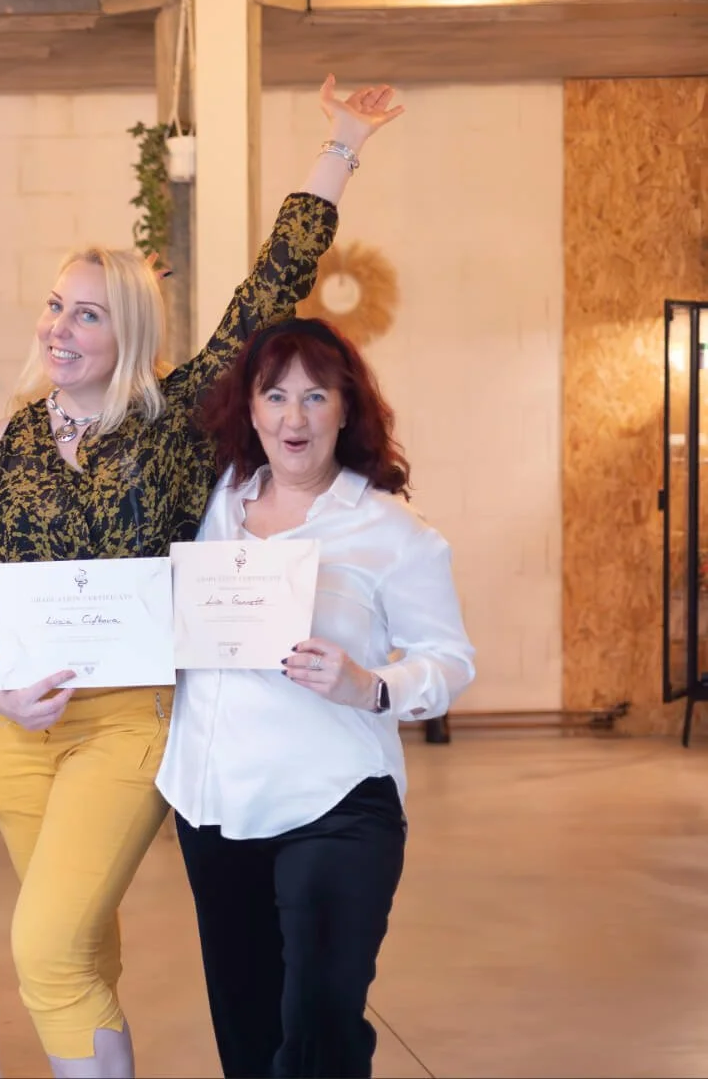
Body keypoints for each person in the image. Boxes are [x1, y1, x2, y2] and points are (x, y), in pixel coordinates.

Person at [0, 76, 405, 1078]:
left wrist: (340, 142)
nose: (59, 327)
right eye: (55, 306)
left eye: (89, 316)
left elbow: (270, 283)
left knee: (45, 946)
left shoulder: (177, 421)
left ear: (130, 336)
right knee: (85, 950)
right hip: (12, 732)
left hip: (128, 720)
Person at [158, 317, 475, 1079]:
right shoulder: (217, 503)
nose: (293, 418)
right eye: (275, 396)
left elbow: (449, 661)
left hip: (336, 803)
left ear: (346, 409)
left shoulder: (392, 532)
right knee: (246, 1027)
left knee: (318, 1028)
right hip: (214, 804)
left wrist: (369, 687)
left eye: (314, 396)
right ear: (250, 408)